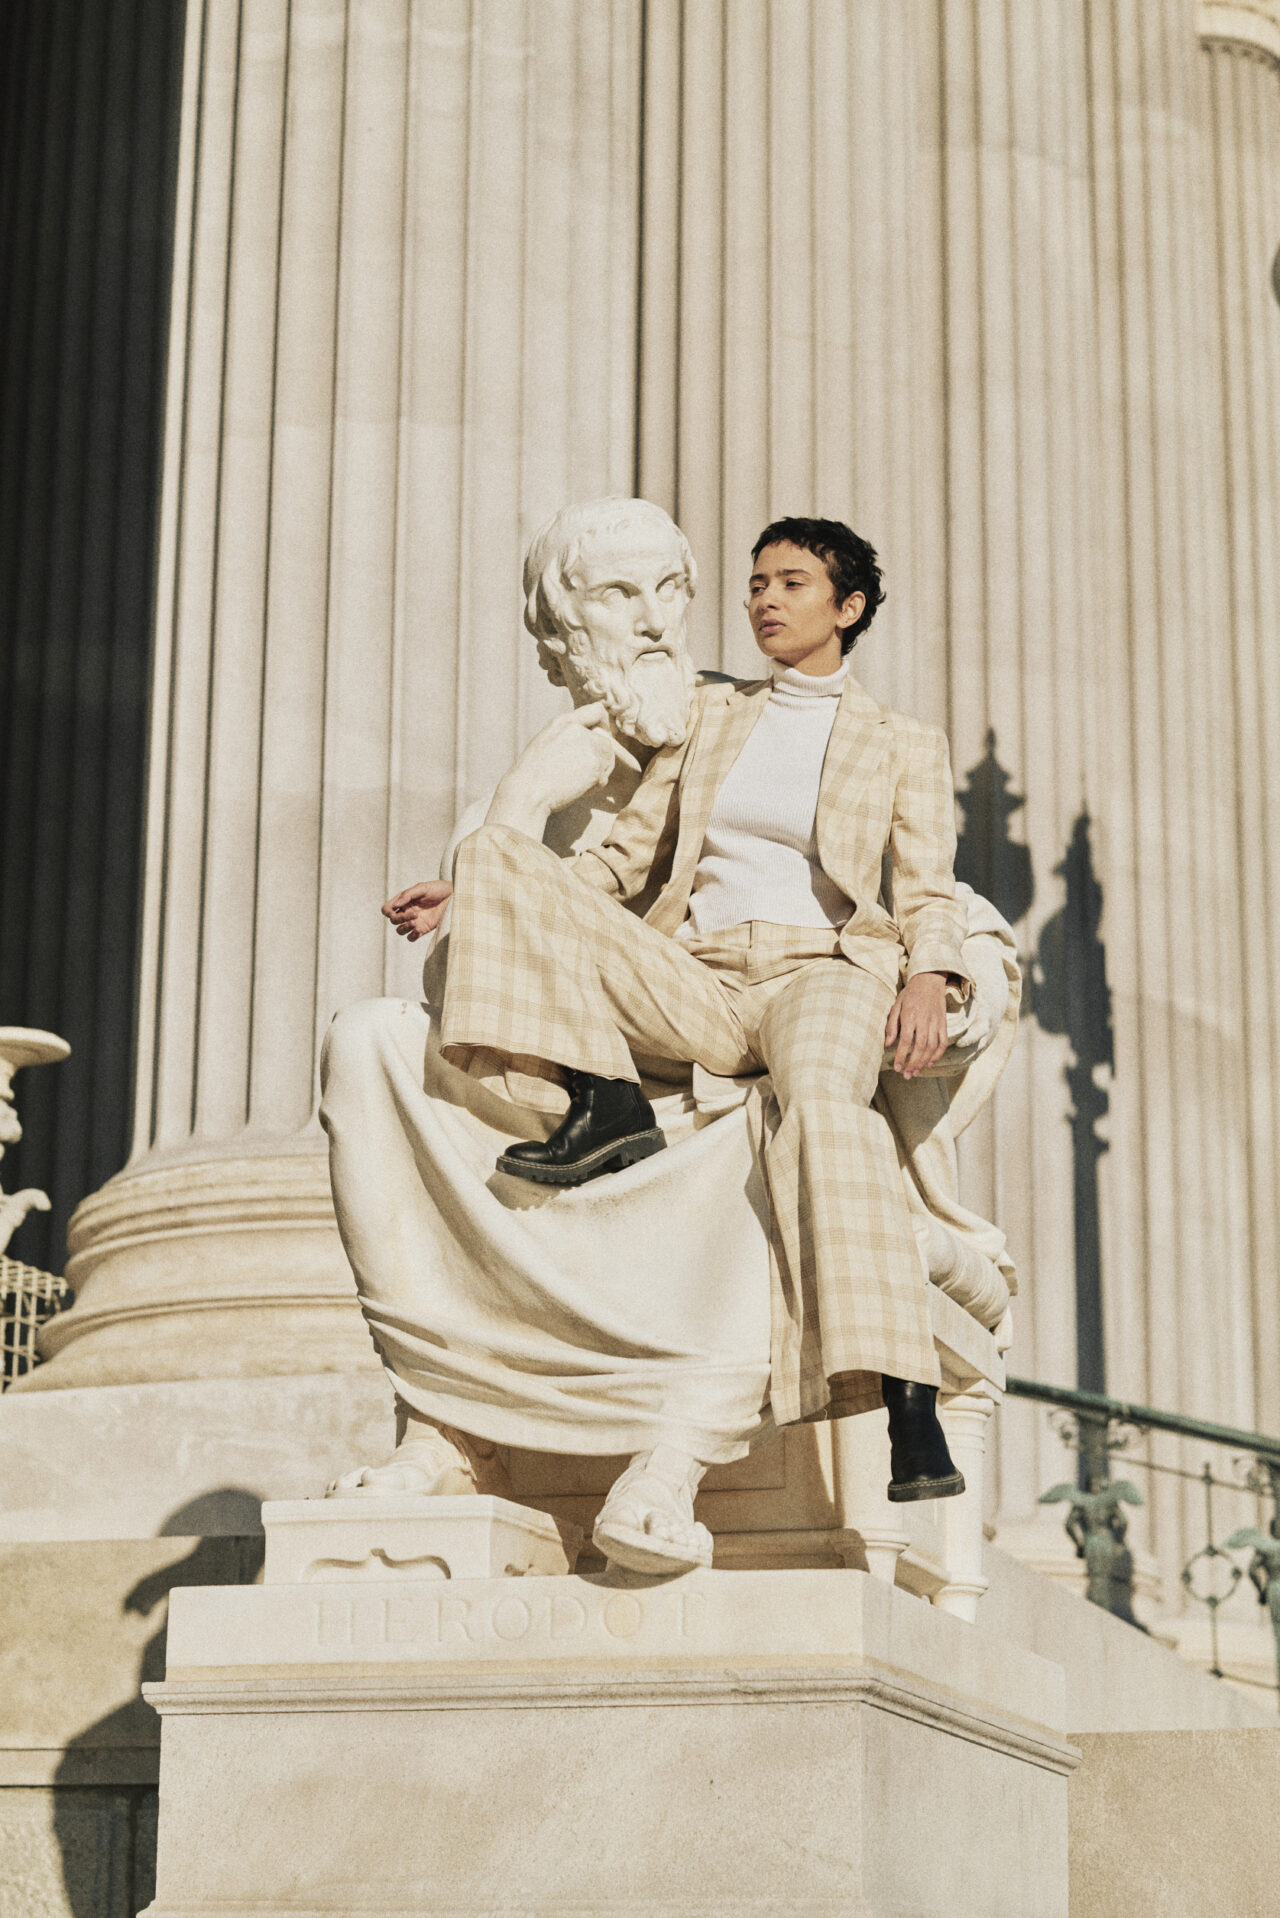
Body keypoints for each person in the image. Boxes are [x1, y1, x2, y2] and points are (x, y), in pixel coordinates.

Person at [384, 518, 975, 1569]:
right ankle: (602, 1103)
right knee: (495, 850)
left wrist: (928, 973)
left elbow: (923, 888)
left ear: (847, 608)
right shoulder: (709, 715)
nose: (763, 599)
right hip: (696, 975)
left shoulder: (900, 742)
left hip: (820, 971)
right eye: (754, 582)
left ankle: (906, 1398)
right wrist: (486, 886)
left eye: (791, 583)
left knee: (823, 1108)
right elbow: (619, 859)